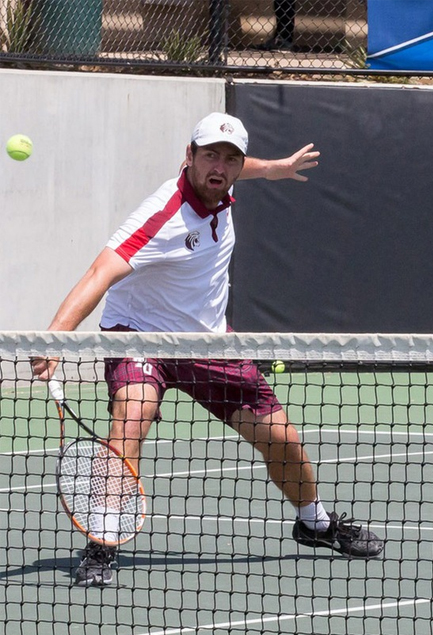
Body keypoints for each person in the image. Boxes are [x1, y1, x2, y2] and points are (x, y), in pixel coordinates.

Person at [31, 113, 385, 588]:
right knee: (130, 418)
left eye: (230, 158)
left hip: (207, 340)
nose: (219, 166)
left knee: (282, 439)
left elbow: (238, 168)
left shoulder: (226, 184)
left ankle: (314, 523)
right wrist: (57, 335)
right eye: (209, 155)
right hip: (141, 336)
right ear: (189, 156)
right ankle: (102, 541)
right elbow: (100, 272)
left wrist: (274, 167)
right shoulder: (162, 216)